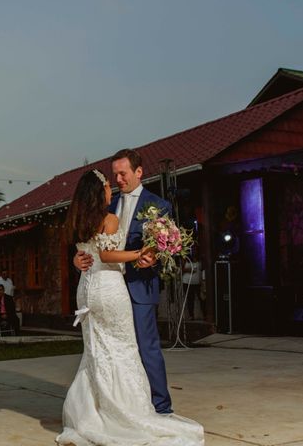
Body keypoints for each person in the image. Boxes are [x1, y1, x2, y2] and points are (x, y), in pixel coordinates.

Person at [60, 168, 204, 445]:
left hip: (87, 291)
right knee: (124, 349)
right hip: (111, 289)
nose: (111, 187)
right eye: (106, 184)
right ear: (98, 191)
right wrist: (139, 253)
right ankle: (125, 412)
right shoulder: (109, 216)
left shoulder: (77, 218)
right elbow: (104, 254)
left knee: (97, 352)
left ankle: (93, 413)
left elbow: (87, 251)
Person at [74, 149, 174, 415]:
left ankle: (161, 407)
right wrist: (77, 258)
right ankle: (119, 405)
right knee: (110, 348)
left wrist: (153, 257)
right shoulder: (106, 203)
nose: (117, 179)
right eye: (114, 174)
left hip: (140, 286)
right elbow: (91, 241)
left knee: (145, 346)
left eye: (123, 173)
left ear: (138, 172)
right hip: (109, 288)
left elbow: (165, 247)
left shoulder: (159, 205)